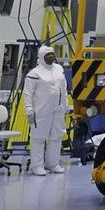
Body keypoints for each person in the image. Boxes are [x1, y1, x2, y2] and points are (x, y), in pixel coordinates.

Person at [23, 44, 68, 176]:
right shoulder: (35, 73)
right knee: (38, 138)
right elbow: (28, 93)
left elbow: (64, 89)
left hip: (58, 110)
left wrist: (66, 106)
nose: (51, 56)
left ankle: (53, 164)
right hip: (42, 111)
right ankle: (37, 165)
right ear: (42, 56)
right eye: (48, 54)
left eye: (52, 54)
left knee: (56, 136)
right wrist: (29, 110)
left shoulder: (59, 70)